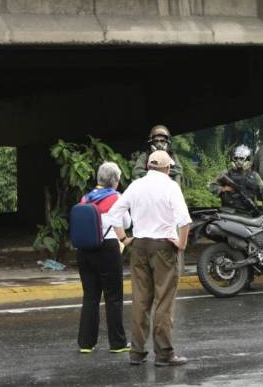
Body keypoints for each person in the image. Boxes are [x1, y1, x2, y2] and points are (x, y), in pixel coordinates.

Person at [107, 151, 192, 367]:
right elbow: (184, 220)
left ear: (148, 166)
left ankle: (136, 352)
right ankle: (163, 353)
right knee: (163, 301)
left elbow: (114, 214)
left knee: (141, 300)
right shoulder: (171, 186)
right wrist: (181, 245)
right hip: (164, 246)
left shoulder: (136, 185)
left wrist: (124, 239)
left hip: (139, 246)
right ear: (168, 168)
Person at [76, 162, 131, 354]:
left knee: (90, 296)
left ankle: (85, 343)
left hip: (84, 250)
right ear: (115, 181)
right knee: (113, 297)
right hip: (108, 248)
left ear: (99, 179)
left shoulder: (85, 197)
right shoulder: (117, 197)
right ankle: (117, 343)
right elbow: (126, 222)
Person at [209, 145, 263, 215]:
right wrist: (223, 189)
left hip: (248, 213)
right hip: (228, 213)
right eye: (236, 158)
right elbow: (212, 186)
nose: (238, 161)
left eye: (241, 158)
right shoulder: (226, 173)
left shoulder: (254, 175)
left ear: (247, 159)